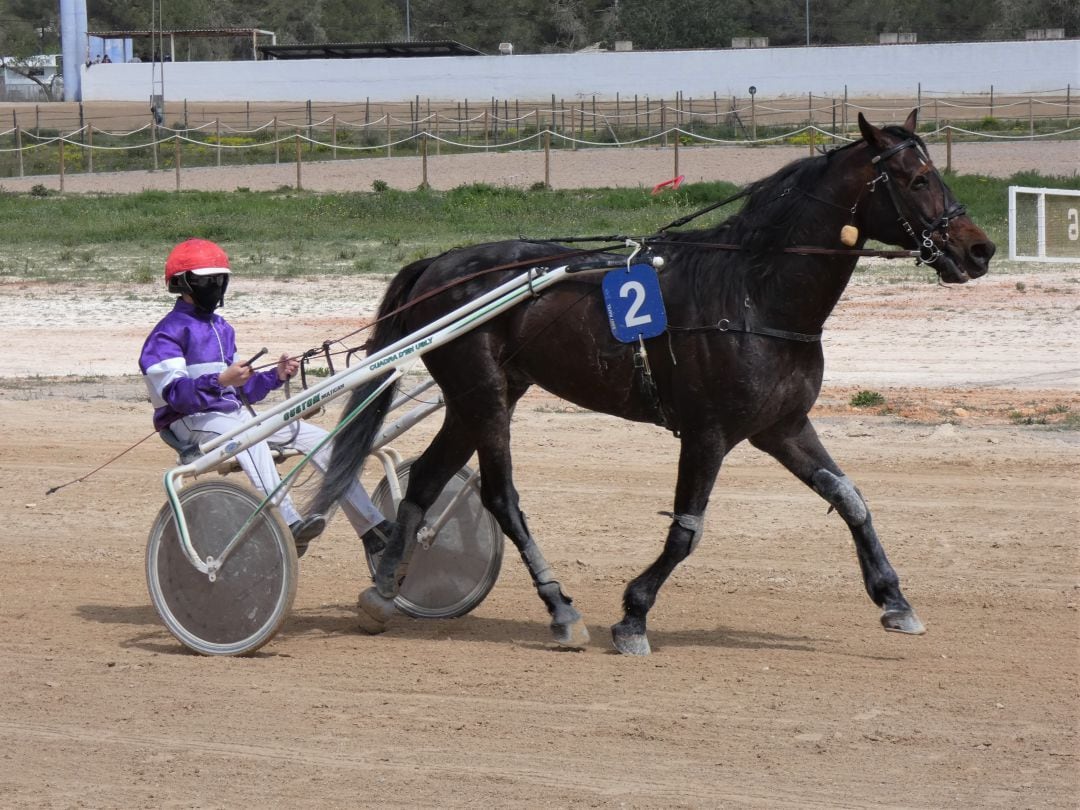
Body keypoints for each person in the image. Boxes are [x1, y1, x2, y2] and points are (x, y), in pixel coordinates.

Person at [139, 237, 394, 557]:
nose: (215, 286)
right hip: (188, 424)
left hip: (230, 418)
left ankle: (371, 527)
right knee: (252, 435)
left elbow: (242, 392)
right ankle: (286, 522)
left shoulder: (222, 328)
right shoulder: (167, 333)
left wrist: (276, 376)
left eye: (220, 279)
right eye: (207, 280)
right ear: (182, 284)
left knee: (318, 437)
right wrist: (220, 380)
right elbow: (176, 396)